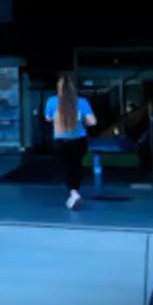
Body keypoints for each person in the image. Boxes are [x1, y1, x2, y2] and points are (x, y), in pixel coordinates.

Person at [46, 75, 95, 209]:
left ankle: (73, 193)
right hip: (79, 141)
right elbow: (92, 122)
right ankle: (75, 192)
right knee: (76, 166)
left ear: (59, 88)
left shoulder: (51, 101)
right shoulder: (82, 102)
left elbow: (48, 119)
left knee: (65, 167)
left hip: (60, 141)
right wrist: (82, 121)